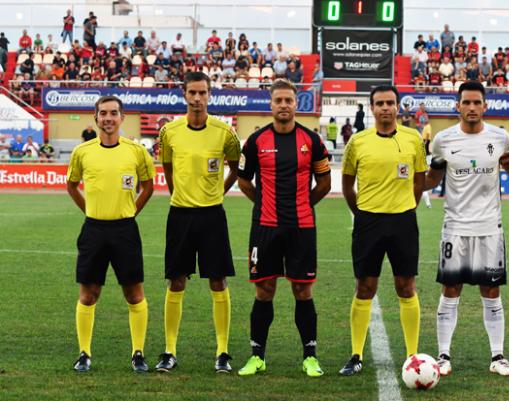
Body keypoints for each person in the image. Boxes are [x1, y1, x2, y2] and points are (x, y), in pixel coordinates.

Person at [236, 79, 331, 377]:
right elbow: (243, 180)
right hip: (265, 226)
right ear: (271, 104)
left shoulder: (312, 140)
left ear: (296, 103)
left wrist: (304, 203)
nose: (284, 105)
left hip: (302, 226)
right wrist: (263, 202)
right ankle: (257, 356)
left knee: (302, 290)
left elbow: (325, 182)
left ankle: (310, 357)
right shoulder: (255, 141)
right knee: (265, 289)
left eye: (289, 100)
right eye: (278, 101)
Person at [423, 81, 509, 377]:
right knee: (451, 289)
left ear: (485, 106)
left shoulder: (500, 138)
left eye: (477, 102)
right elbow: (432, 178)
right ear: (458, 106)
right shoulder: (443, 140)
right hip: (455, 228)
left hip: (490, 228)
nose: (472, 107)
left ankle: (498, 357)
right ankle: (442, 356)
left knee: (491, 291)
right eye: (467, 102)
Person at [155, 72, 241, 373]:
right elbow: (167, 168)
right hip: (180, 215)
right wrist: (180, 193)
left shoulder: (224, 132)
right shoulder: (170, 132)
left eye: (202, 93)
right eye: (192, 92)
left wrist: (219, 190)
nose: (197, 98)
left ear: (209, 95)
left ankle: (222, 351)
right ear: (184, 94)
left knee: (218, 280)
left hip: (212, 215)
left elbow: (236, 168)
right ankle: (169, 351)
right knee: (176, 280)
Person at [339, 85, 426, 376]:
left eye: (390, 102)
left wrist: (406, 207)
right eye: (380, 103)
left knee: (406, 286)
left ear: (398, 106)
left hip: (403, 221)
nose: (385, 107)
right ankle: (356, 354)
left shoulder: (413, 138)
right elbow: (347, 185)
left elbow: (419, 181)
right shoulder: (358, 141)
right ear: (372, 107)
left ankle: (413, 355)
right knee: (365, 287)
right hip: (368, 222)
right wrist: (361, 213)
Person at [66, 96, 155, 372]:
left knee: (134, 293)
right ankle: (84, 354)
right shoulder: (82, 151)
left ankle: (138, 353)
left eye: (113, 113)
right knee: (88, 294)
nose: (108, 118)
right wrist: (90, 211)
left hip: (125, 229)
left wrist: (130, 213)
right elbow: (71, 185)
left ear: (122, 117)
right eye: (103, 113)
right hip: (93, 229)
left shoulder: (136, 151)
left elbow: (148, 186)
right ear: (95, 118)